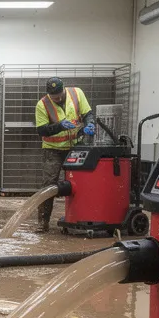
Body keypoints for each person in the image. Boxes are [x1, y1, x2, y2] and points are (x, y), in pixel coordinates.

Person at [34, 77, 101, 231]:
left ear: (64, 88)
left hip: (75, 147)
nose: (57, 98)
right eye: (54, 96)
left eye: (59, 94)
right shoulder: (42, 105)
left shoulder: (77, 93)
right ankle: (42, 223)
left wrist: (90, 124)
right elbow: (42, 130)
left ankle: (81, 218)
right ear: (48, 94)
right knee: (48, 186)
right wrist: (59, 126)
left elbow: (88, 114)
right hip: (53, 149)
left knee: (81, 184)